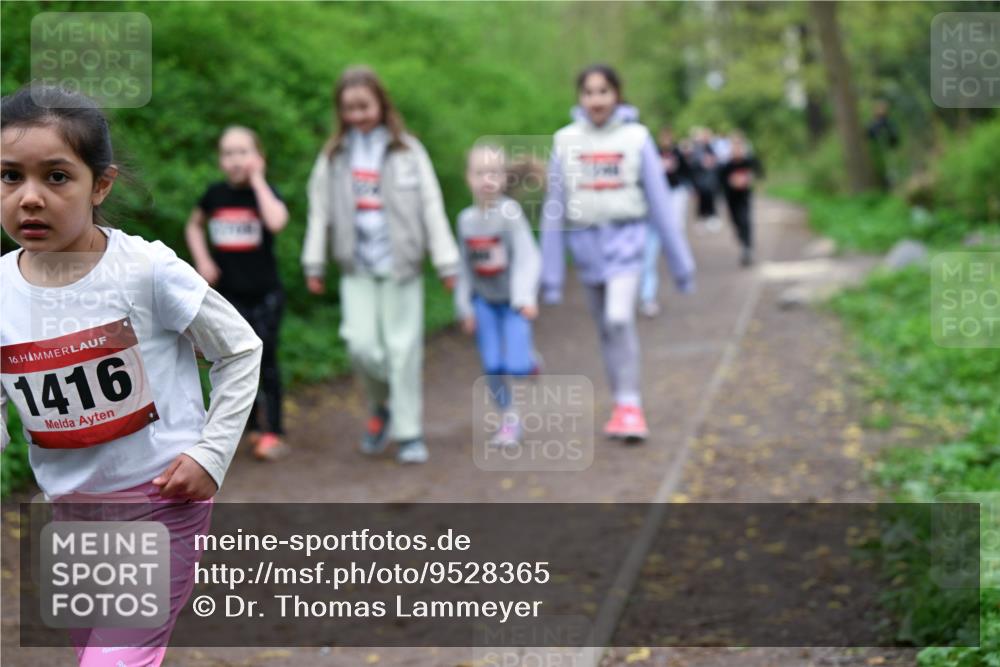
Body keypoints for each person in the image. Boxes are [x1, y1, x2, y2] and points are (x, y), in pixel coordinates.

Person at [0, 84, 262, 666]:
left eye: (57, 177)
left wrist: (210, 455)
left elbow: (240, 350)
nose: (30, 198)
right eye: (10, 176)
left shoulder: (145, 271)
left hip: (161, 504)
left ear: (102, 184)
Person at [302, 66, 460, 464]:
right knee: (361, 346)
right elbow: (319, 211)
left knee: (402, 350)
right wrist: (314, 262)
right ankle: (382, 406)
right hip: (357, 266)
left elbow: (432, 206)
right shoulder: (335, 156)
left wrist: (446, 262)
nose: (358, 114)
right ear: (341, 111)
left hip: (400, 265)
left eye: (364, 106)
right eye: (349, 108)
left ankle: (409, 432)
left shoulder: (407, 150)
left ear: (381, 104)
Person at [541, 64, 696, 442]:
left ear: (617, 94)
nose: (596, 99)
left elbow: (660, 204)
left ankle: (631, 404)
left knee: (618, 319)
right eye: (589, 92)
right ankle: (622, 402)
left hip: (626, 244)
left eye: (604, 91)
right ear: (580, 98)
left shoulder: (636, 138)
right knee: (605, 330)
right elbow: (554, 208)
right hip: (586, 249)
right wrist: (551, 277)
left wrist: (681, 265)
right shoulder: (565, 141)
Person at [186, 125, 289, 461]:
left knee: (266, 359)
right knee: (232, 360)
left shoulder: (265, 193)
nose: (235, 159)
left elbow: (276, 222)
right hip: (229, 297)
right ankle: (248, 429)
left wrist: (258, 180)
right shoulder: (214, 195)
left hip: (266, 295)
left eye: (243, 152)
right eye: (228, 153)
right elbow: (193, 225)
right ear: (220, 160)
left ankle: (273, 430)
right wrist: (202, 259)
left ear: (258, 157)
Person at [454, 144, 541, 447]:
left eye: (493, 173)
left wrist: (524, 298)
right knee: (492, 366)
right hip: (484, 304)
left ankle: (529, 359)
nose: (486, 180)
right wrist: (464, 308)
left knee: (516, 366)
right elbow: (463, 267)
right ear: (469, 178)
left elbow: (527, 257)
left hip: (513, 304)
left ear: (503, 178)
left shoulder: (510, 214)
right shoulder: (465, 221)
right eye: (480, 173)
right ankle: (509, 419)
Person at [640, 126, 692, 318]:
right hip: (651, 211)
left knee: (674, 232)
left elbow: (686, 173)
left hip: (673, 197)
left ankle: (681, 274)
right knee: (647, 258)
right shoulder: (650, 153)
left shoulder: (677, 152)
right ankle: (647, 297)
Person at [719, 132, 764, 267]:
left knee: (745, 220)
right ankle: (742, 240)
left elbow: (759, 173)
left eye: (739, 146)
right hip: (731, 198)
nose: (737, 149)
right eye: (734, 146)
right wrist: (730, 183)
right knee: (736, 222)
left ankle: (747, 248)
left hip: (744, 197)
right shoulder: (727, 165)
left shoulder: (749, 161)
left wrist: (751, 178)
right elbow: (720, 181)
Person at [690, 127, 721, 234]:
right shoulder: (697, 149)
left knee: (711, 200)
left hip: (711, 181)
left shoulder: (712, 148)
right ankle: (701, 220)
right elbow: (694, 164)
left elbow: (717, 162)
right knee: (701, 202)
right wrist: (703, 162)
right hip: (700, 181)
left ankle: (712, 218)